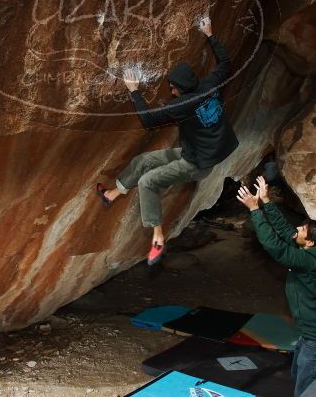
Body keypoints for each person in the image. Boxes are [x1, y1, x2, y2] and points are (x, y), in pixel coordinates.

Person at [95, 14, 239, 265]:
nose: (171, 91)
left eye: (173, 88)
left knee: (148, 181)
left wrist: (134, 91)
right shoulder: (210, 85)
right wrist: (210, 34)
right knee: (143, 161)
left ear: (180, 89)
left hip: (197, 164)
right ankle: (111, 195)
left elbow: (148, 119)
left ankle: (158, 237)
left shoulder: (183, 104)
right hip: (199, 153)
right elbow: (225, 62)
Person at [237, 176, 316, 396]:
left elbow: (274, 246)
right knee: (299, 378)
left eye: (302, 230)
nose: (297, 229)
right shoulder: (310, 251)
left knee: (307, 390)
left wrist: (255, 211)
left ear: (310, 242)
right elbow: (286, 232)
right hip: (311, 335)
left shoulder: (309, 261)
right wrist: (266, 201)